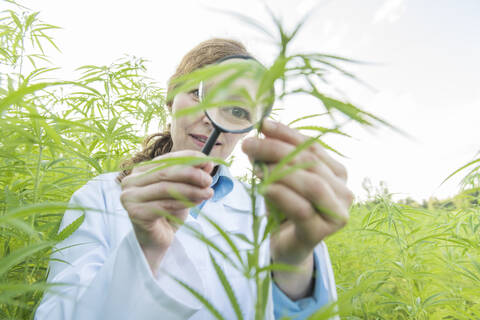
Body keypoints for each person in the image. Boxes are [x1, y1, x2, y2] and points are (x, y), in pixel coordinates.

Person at [34, 38, 353, 320]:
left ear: (249, 128)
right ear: (171, 100)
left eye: (237, 110)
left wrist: (293, 264)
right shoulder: (99, 196)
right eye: (199, 95)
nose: (210, 115)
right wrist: (143, 251)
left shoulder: (275, 211)